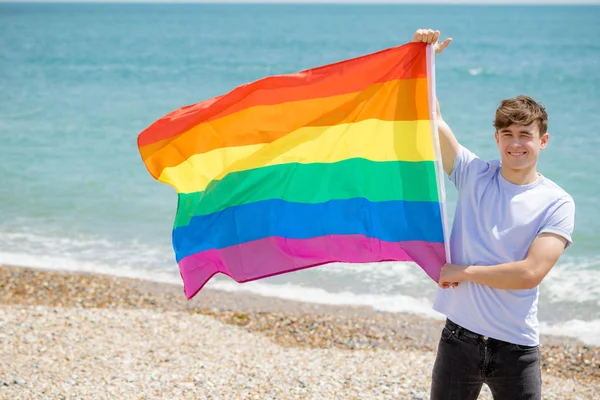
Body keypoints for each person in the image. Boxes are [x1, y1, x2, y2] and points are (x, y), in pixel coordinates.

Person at [410, 29, 576, 400]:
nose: (516, 143)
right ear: (496, 138)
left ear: (542, 140)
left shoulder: (557, 201)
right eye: (507, 133)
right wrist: (424, 58)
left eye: (525, 134)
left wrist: (463, 272)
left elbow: (530, 274)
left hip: (515, 350)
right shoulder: (473, 175)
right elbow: (432, 117)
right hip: (458, 340)